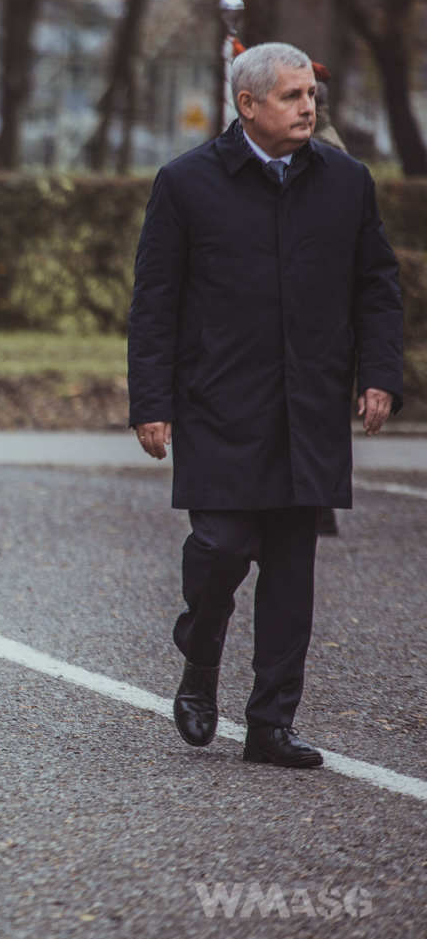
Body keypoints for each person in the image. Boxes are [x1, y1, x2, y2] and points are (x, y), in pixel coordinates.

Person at [128, 41, 403, 768]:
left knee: (291, 569)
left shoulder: (346, 182)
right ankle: (200, 655)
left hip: (309, 407)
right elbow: (155, 301)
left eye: (311, 93)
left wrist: (379, 375)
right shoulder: (187, 183)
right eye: (291, 95)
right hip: (221, 403)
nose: (308, 106)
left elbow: (376, 285)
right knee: (221, 546)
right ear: (247, 105)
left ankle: (270, 724)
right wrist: (151, 401)